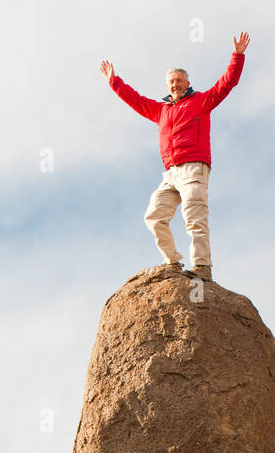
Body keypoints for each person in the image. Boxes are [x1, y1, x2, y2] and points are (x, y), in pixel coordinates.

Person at [99, 32, 250, 280]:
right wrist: (114, 81)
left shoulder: (200, 102)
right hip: (171, 173)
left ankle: (202, 267)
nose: (175, 84)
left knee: (194, 215)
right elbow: (135, 100)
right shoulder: (161, 111)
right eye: (171, 81)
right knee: (154, 216)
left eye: (179, 80)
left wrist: (238, 55)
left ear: (187, 83)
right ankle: (172, 262)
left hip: (193, 168)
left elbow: (227, 83)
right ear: (167, 85)